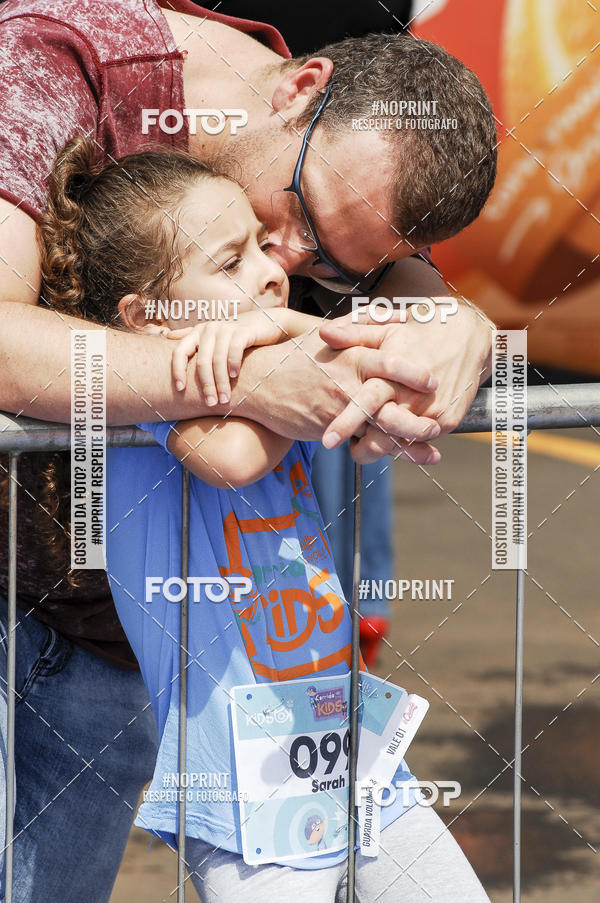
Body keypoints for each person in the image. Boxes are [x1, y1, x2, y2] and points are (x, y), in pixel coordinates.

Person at [0, 1, 496, 898]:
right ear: (302, 88)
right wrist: (237, 379)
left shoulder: (298, 146)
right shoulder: (52, 60)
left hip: (135, 659)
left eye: (335, 268)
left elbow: (383, 267)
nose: (289, 259)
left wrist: (455, 317)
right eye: (299, 212)